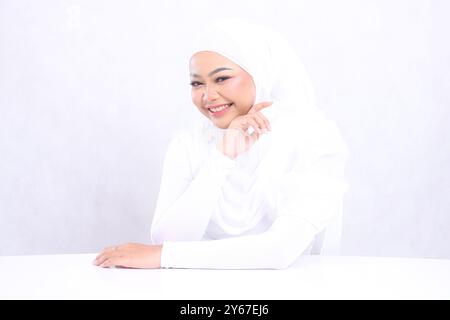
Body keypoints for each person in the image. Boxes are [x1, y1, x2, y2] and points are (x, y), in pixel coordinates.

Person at [93, 18, 349, 270]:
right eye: (196, 83)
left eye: (222, 78)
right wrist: (223, 156)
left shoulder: (314, 139)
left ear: (259, 74)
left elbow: (280, 250)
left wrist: (164, 257)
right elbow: (167, 240)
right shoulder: (189, 143)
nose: (207, 96)